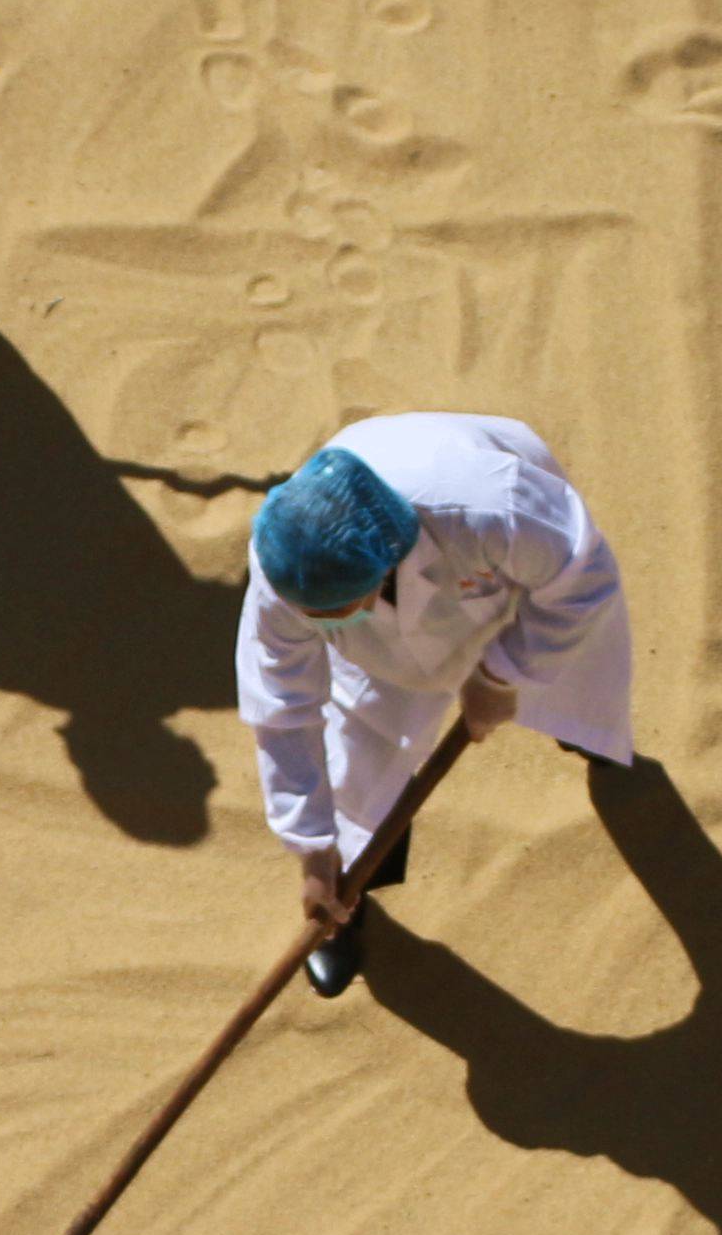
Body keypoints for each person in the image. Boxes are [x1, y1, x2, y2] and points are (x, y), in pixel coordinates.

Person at [239, 415, 634, 994]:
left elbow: (581, 578)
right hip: (376, 644)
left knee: (574, 675)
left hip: (498, 582)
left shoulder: (490, 505)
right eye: (313, 617)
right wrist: (311, 849)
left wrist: (501, 675)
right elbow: (281, 708)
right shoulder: (288, 573)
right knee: (359, 768)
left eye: (333, 609)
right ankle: (348, 896)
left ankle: (578, 730)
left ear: (386, 560)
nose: (316, 623)